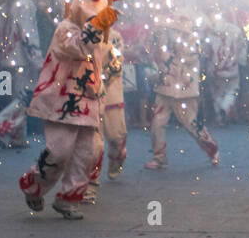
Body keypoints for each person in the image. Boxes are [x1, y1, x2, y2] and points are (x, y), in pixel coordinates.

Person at [18, 0, 118, 220]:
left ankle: (68, 197)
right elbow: (77, 48)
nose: (94, 18)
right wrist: (96, 27)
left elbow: (104, 61)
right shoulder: (65, 29)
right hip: (62, 101)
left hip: (88, 101)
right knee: (59, 151)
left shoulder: (100, 35)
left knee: (88, 153)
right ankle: (34, 185)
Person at [146, 13, 220, 170]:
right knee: (157, 123)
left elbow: (187, 59)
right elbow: (157, 54)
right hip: (165, 86)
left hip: (184, 90)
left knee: (191, 124)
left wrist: (170, 56)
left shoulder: (193, 41)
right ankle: (159, 158)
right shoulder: (165, 38)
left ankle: (211, 148)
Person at [0, 0, 44, 149]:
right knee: (25, 96)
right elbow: (28, 34)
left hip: (6, 59)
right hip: (22, 59)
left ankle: (18, 136)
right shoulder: (24, 5)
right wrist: (37, 59)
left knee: (16, 96)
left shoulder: (3, 8)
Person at [85, 25, 129, 202]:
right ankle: (89, 186)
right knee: (94, 144)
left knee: (116, 136)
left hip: (111, 93)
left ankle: (117, 156)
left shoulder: (115, 36)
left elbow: (116, 64)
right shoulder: (84, 34)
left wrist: (100, 80)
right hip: (89, 94)